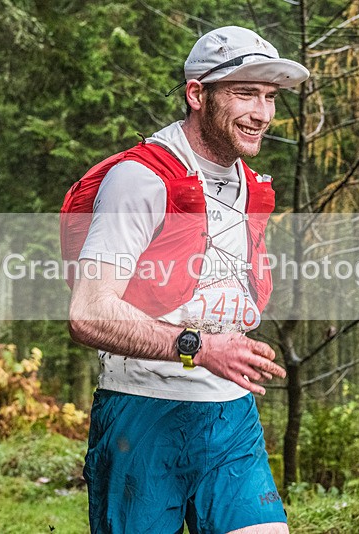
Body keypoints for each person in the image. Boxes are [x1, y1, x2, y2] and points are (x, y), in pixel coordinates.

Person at [67, 25, 309, 534]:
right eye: (246, 93)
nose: (262, 114)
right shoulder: (139, 179)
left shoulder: (249, 184)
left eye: (269, 97)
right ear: (197, 94)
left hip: (229, 416)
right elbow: (88, 312)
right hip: (142, 414)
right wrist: (198, 348)